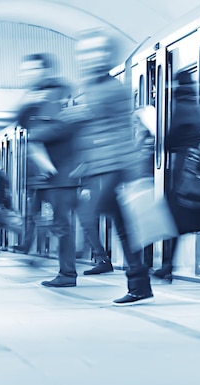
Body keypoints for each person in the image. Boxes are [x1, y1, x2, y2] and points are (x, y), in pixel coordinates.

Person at [62, 28, 152, 305]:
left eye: (96, 51)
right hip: (101, 166)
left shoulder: (111, 89)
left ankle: (113, 267)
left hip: (113, 165)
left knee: (88, 214)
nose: (90, 57)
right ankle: (139, 283)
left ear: (106, 55)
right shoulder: (88, 86)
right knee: (124, 226)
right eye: (85, 52)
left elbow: (108, 126)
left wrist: (71, 115)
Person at [151, 69, 200, 282]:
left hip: (187, 171)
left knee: (172, 220)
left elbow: (170, 142)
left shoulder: (181, 107)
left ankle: (167, 266)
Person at [15, 53, 80, 288]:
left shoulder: (57, 92)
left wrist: (38, 138)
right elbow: (22, 121)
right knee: (49, 221)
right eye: (25, 70)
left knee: (63, 225)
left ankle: (67, 274)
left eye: (31, 70)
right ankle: (49, 261)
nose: (26, 75)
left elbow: (60, 126)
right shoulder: (38, 94)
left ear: (45, 70)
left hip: (60, 170)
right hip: (47, 174)